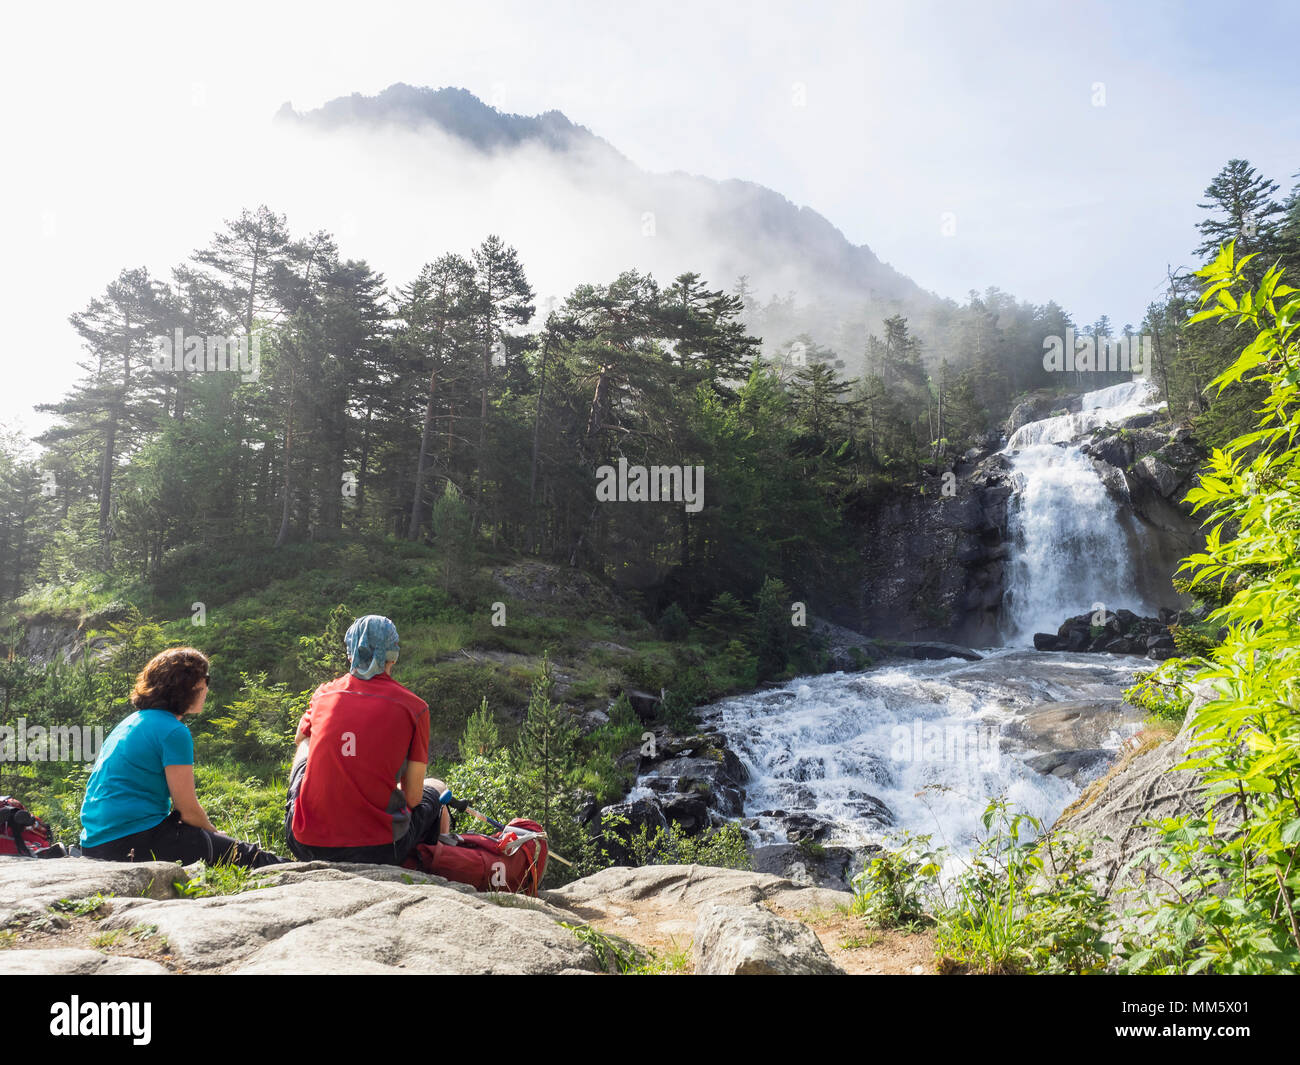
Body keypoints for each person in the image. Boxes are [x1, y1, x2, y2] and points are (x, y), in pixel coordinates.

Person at [80, 647, 283, 868]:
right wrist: (215, 833)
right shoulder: (173, 731)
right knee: (246, 855)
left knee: (213, 844)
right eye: (206, 679)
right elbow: (187, 810)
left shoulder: (131, 722)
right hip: (134, 841)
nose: (207, 686)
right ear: (192, 686)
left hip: (95, 844)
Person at [284, 615, 449, 865]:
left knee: (307, 741)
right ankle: (439, 865)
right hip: (381, 849)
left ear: (350, 654)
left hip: (306, 843)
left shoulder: (324, 693)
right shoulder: (415, 708)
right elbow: (414, 798)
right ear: (393, 655)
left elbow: (300, 737)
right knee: (437, 788)